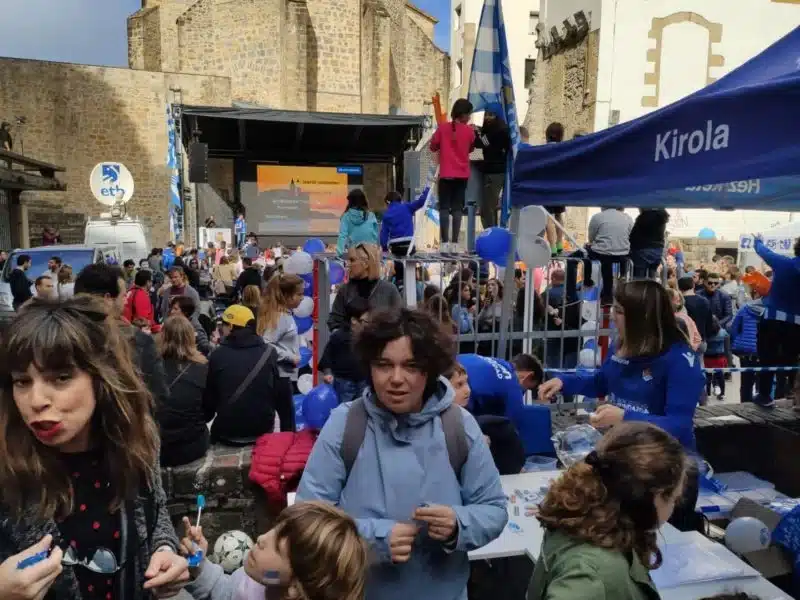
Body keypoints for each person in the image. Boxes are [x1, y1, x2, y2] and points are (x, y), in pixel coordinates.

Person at [297, 308, 507, 600]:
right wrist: (375, 539)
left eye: (411, 366)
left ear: (429, 370)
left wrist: (458, 524)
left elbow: (494, 510)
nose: (396, 378)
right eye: (384, 365)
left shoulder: (458, 426)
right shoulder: (346, 424)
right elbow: (308, 519)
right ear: (369, 368)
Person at [0, 296, 189, 600]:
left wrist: (165, 549)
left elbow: (156, 513)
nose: (36, 401)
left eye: (60, 378)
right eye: (22, 382)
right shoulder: (7, 468)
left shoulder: (139, 441)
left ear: (101, 378)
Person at [538, 280, 704, 530]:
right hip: (629, 464)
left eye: (619, 311)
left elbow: (679, 424)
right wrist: (564, 382)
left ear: (641, 316)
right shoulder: (622, 345)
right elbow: (601, 381)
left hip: (668, 474)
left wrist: (625, 417)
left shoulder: (680, 360)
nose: (612, 317)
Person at [527, 422, 689, 600]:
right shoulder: (591, 574)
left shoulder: (591, 519)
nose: (673, 506)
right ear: (655, 496)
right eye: (674, 498)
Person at [181, 501, 368, 600]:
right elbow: (225, 592)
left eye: (277, 547)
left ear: (295, 589)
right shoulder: (256, 581)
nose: (262, 538)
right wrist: (197, 562)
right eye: (274, 529)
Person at [75, 263, 170, 407]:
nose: (126, 301)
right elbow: (158, 396)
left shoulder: (55, 335)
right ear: (108, 298)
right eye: (123, 296)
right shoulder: (137, 341)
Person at [206, 305, 294, 441]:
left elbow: (209, 399)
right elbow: (280, 394)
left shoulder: (217, 355)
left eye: (222, 325)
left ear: (230, 326)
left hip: (227, 429)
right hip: (262, 427)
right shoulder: (269, 353)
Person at [752, 234, 800, 406]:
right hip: (797, 323)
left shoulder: (783, 263)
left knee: (767, 358)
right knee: (793, 360)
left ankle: (764, 395)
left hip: (772, 318)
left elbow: (764, 252)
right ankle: (795, 395)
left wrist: (758, 241)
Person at [157, 316, 211, 467]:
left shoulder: (150, 367)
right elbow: (209, 410)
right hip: (192, 446)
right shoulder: (202, 368)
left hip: (159, 448)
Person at [430, 98, 476, 250]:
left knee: (444, 208)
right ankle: (455, 243)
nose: (469, 117)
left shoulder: (443, 128)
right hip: (462, 175)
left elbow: (433, 146)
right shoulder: (469, 131)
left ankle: (444, 243)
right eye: (469, 114)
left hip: (445, 174)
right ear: (463, 115)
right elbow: (471, 148)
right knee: (457, 209)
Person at [327, 243, 402, 332]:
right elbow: (334, 321)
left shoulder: (389, 290)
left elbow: (400, 322)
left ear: (366, 263)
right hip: (349, 340)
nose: (348, 264)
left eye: (352, 260)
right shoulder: (345, 290)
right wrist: (347, 331)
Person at [457, 353, 542, 418]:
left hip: (452, 369)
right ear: (528, 376)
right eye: (528, 388)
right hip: (460, 404)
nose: (523, 392)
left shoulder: (498, 362)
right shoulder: (513, 388)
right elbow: (512, 426)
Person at [319, 297, 370, 403]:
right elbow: (328, 355)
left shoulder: (369, 337)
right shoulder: (338, 336)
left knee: (363, 407)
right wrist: (328, 373)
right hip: (343, 382)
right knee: (344, 408)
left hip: (363, 380)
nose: (368, 325)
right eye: (365, 321)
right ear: (354, 320)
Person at [257, 273, 305, 382]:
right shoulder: (281, 317)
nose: (302, 298)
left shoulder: (284, 314)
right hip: (280, 376)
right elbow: (265, 344)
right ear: (286, 295)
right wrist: (290, 357)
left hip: (283, 375)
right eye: (299, 294)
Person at [380, 187, 428, 286]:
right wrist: (427, 189)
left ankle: (400, 283)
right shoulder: (407, 207)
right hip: (409, 244)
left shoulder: (386, 214)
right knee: (411, 267)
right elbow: (421, 202)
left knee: (399, 268)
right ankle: (412, 285)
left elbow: (383, 234)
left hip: (396, 246)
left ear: (388, 202)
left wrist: (384, 249)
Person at [584, 207, 633, 303]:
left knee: (584, 253)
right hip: (623, 253)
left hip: (603, 253)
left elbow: (591, 238)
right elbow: (630, 236)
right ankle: (622, 276)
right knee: (616, 257)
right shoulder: (627, 218)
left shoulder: (597, 217)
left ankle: (588, 281)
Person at [728, 284, 765, 404]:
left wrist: (737, 341)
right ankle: (761, 404)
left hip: (746, 351)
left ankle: (745, 406)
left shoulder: (745, 308)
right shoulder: (771, 310)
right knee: (763, 381)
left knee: (746, 383)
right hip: (763, 350)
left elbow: (733, 328)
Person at [474, 110, 511, 230]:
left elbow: (480, 145)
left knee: (487, 209)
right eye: (486, 115)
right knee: (492, 207)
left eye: (490, 115)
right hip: (501, 172)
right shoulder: (503, 130)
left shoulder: (493, 132)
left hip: (491, 173)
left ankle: (491, 233)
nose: (487, 118)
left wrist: (476, 134)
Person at [542, 122, 566, 255]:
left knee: (548, 217)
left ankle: (552, 248)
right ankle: (560, 243)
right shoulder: (564, 149)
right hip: (560, 187)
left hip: (546, 187)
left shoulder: (542, 150)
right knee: (559, 214)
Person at [629, 208, 669, 279]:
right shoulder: (662, 217)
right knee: (652, 275)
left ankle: (640, 285)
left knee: (639, 277)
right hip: (658, 251)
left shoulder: (644, 217)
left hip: (642, 250)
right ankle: (652, 284)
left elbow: (633, 236)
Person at [337, 189, 379, 255]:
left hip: (354, 251)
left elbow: (342, 236)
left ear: (350, 202)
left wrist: (339, 253)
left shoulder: (346, 216)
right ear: (364, 200)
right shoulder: (371, 215)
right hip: (370, 251)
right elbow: (375, 235)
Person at [679, 276, 713, 349]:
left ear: (679, 288)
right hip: (701, 340)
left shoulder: (680, 303)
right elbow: (709, 322)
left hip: (687, 341)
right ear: (693, 286)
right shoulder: (704, 301)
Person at [123, 269, 161, 333]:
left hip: (126, 328)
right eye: (151, 281)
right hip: (136, 332)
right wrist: (157, 328)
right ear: (147, 282)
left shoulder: (130, 291)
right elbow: (142, 320)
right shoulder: (141, 295)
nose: (152, 283)